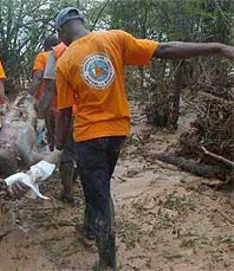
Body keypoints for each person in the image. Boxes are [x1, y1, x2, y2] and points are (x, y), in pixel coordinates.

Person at [53, 7, 234, 270]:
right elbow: (165, 49)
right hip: (118, 133)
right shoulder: (114, 38)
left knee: (99, 198)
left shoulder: (64, 61)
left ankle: (106, 264)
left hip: (89, 136)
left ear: (62, 31)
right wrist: (217, 47)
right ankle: (89, 228)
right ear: (80, 23)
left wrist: (58, 148)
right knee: (100, 188)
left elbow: (65, 114)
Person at [36, 42, 80, 206]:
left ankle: (67, 191)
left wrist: (40, 117)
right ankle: (74, 181)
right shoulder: (92, 45)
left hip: (63, 111)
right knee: (83, 150)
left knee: (64, 151)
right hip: (88, 113)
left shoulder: (54, 53)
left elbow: (48, 88)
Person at [28, 35, 61, 143]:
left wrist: (29, 97)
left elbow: (38, 78)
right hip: (64, 103)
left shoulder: (42, 56)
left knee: (49, 134)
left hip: (46, 102)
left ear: (45, 46)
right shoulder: (64, 54)